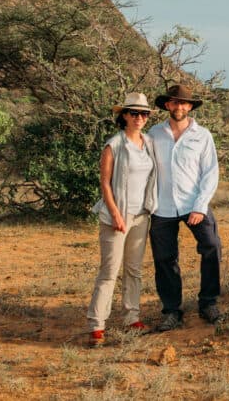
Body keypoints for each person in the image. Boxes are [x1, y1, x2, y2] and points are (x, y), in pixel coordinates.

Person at [148, 84, 223, 331]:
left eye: (183, 103)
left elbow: (210, 173)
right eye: (174, 102)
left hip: (194, 203)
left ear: (190, 107)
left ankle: (208, 303)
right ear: (167, 105)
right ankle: (172, 311)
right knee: (164, 258)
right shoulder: (154, 134)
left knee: (211, 246)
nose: (179, 107)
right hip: (162, 206)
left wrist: (200, 207)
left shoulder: (202, 135)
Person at [86, 92, 158, 347]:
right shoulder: (114, 144)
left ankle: (132, 317)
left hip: (141, 215)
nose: (139, 117)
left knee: (134, 269)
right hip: (117, 215)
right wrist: (116, 213)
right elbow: (104, 182)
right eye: (134, 113)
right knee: (109, 271)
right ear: (124, 116)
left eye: (144, 113)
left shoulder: (148, 143)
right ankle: (97, 324)